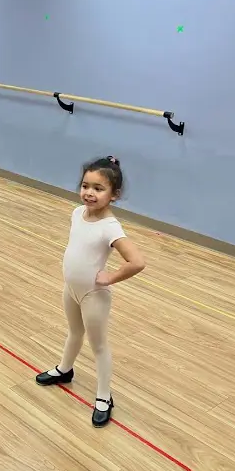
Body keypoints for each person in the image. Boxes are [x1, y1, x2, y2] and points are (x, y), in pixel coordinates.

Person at [35, 156, 145, 427]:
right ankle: (65, 369)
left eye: (98, 188)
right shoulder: (77, 213)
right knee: (74, 332)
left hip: (93, 295)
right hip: (71, 289)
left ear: (114, 195)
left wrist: (111, 277)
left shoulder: (110, 227)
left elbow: (137, 262)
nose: (89, 193)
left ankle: (104, 396)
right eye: (85, 186)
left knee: (99, 345)